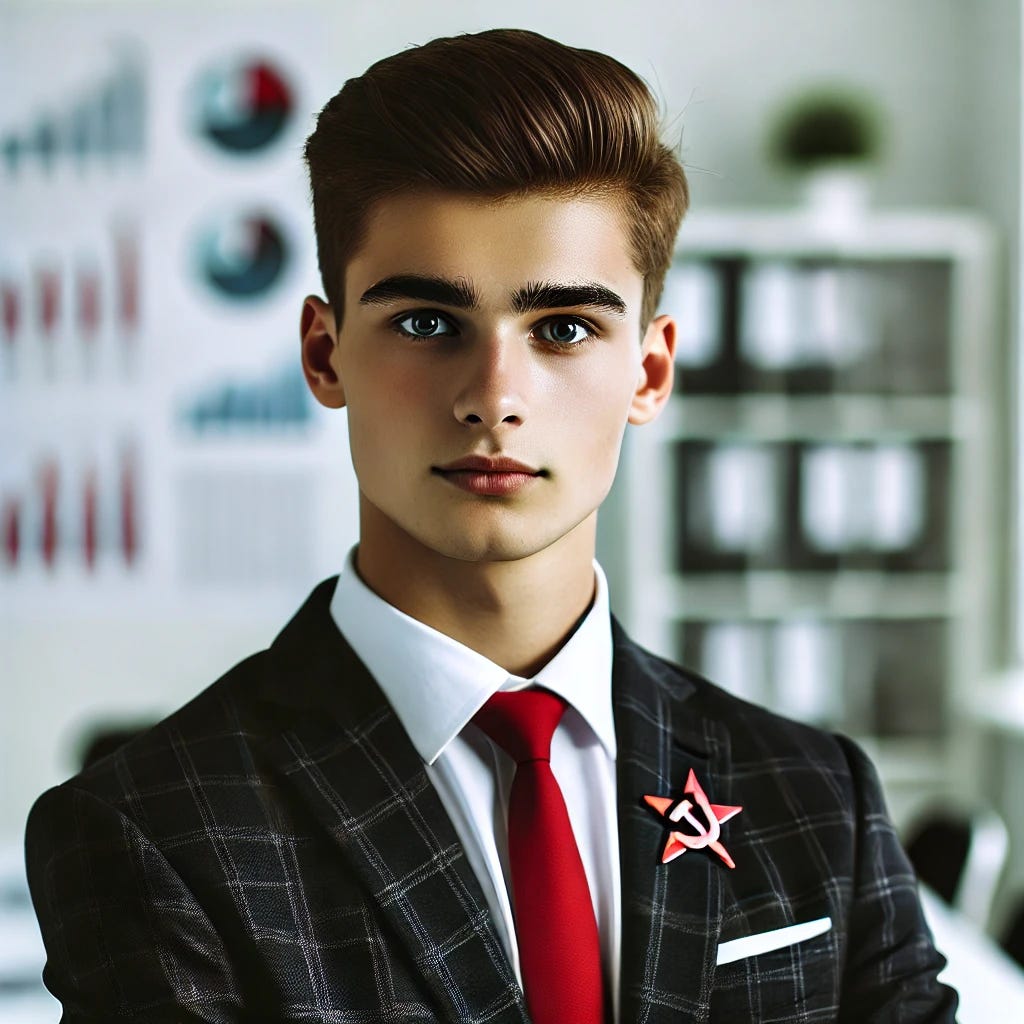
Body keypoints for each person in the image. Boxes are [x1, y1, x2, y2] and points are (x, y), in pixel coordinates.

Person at [24, 27, 957, 1023]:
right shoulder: (152, 831)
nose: (494, 397)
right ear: (325, 355)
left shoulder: (820, 797)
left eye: (564, 328)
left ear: (648, 373)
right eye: (427, 323)